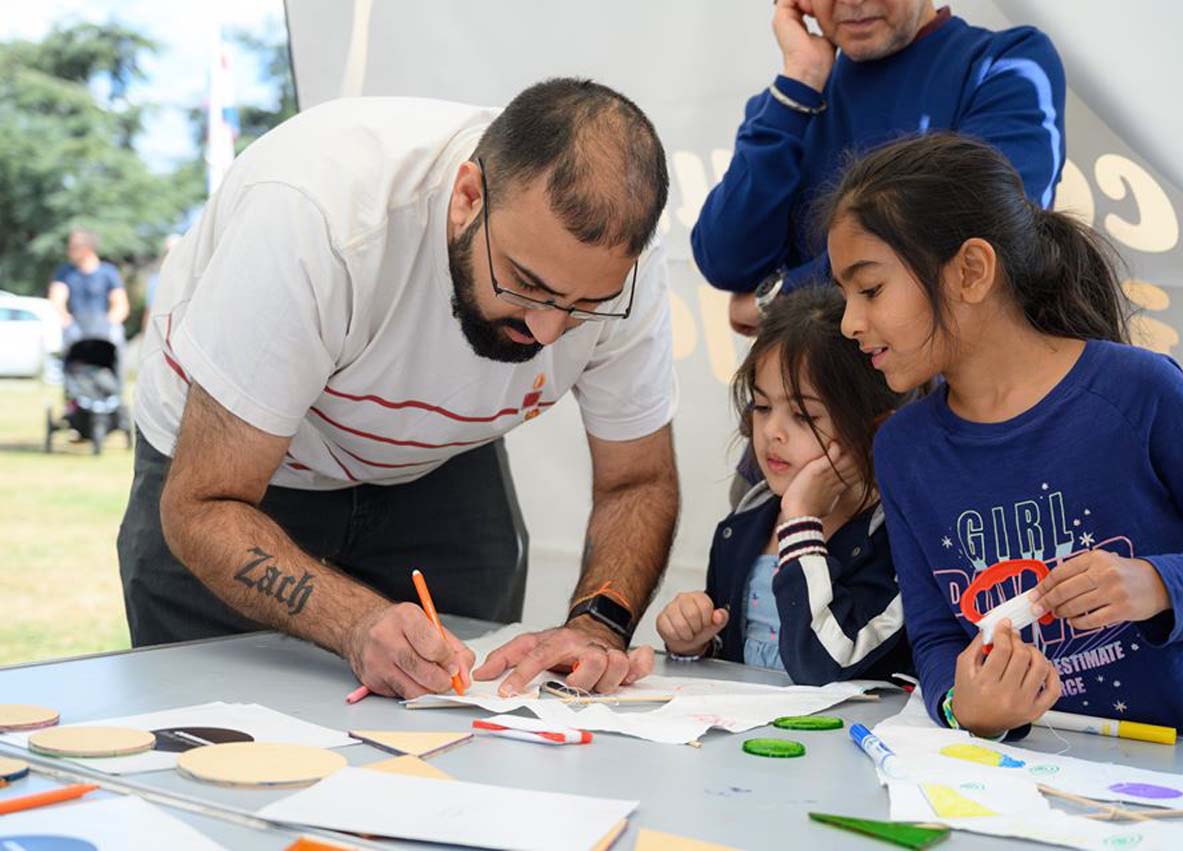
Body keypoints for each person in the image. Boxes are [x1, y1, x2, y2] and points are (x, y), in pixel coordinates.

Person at [120, 78, 679, 700]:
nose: (547, 329)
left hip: (438, 465)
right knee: (218, 734)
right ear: (468, 196)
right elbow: (202, 505)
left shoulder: (623, 267)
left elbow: (637, 480)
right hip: (236, 478)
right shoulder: (320, 217)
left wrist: (599, 625)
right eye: (526, 284)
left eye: (584, 306)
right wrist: (353, 620)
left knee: (456, 721)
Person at [826, 132, 1183, 747]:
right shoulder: (903, 450)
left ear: (971, 271)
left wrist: (1155, 584)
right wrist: (967, 709)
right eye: (845, 295)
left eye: (871, 289)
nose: (851, 322)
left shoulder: (1137, 392)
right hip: (1043, 784)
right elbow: (935, 638)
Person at [692, 0, 1066, 338]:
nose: (853, 3)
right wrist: (801, 80)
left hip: (948, 401)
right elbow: (726, 261)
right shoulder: (792, 100)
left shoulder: (1007, 64)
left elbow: (978, 228)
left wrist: (780, 299)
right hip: (810, 402)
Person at [656, 286, 913, 684]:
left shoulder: (896, 540)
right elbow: (736, 657)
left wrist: (801, 522)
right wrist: (696, 643)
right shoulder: (746, 520)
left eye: (803, 416)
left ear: (875, 430)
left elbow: (824, 665)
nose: (772, 431)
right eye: (762, 407)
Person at [48, 228, 130, 348]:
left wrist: (108, 324)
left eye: (73, 247)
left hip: (104, 324)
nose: (69, 251)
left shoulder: (108, 272)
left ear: (87, 249)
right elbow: (57, 300)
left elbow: (121, 305)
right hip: (76, 325)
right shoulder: (65, 272)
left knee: (116, 336)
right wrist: (67, 321)